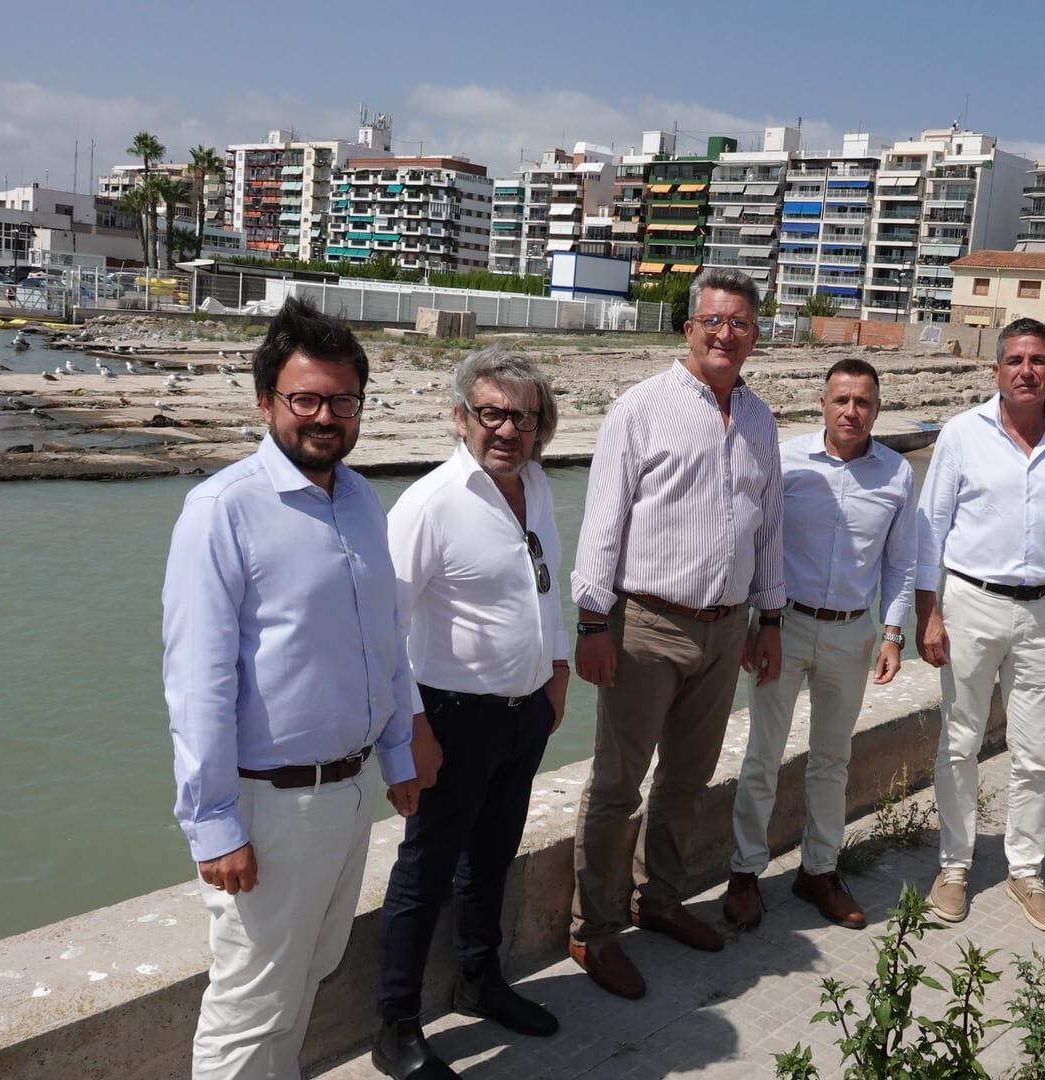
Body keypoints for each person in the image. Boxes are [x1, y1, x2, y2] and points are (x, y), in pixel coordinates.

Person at [163, 299, 435, 1079]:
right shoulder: (221, 512)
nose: (324, 416)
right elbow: (196, 680)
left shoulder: (357, 500)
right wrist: (214, 821)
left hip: (349, 792)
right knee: (249, 1008)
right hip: (271, 805)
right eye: (305, 399)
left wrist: (398, 749)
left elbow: (380, 638)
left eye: (342, 401)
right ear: (266, 402)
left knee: (307, 975)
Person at [567, 266, 786, 1000]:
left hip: (726, 629)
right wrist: (593, 622)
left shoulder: (760, 420)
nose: (727, 334)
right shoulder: (640, 409)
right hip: (645, 627)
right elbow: (603, 524)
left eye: (741, 324)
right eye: (714, 321)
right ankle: (592, 931)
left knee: (687, 781)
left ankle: (657, 900)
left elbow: (769, 528)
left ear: (756, 336)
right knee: (616, 785)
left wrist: (771, 615)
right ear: (688, 328)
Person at [372, 349, 568, 1079]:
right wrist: (410, 729)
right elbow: (382, 628)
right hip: (450, 719)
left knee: (492, 858)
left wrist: (558, 668)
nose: (507, 429)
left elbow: (546, 587)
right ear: (460, 418)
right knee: (424, 873)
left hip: (523, 716)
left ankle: (480, 980)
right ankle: (395, 1027)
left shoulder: (536, 486)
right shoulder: (429, 504)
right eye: (491, 412)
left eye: (522, 416)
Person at [913, 316, 1045, 936]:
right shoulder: (961, 434)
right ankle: (954, 867)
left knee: (1037, 749)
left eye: (1039, 360)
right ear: (996, 370)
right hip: (971, 602)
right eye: (1015, 360)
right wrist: (929, 613)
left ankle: (1026, 871)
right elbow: (929, 531)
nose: (1027, 370)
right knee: (960, 741)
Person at [724, 357, 917, 933]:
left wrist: (892, 632)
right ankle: (744, 873)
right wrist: (752, 621)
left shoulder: (897, 474)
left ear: (877, 409)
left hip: (853, 631)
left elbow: (902, 561)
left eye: (863, 402)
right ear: (823, 403)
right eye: (841, 400)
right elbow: (754, 540)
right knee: (763, 754)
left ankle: (819, 870)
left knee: (832, 759)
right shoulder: (785, 460)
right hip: (783, 626)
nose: (851, 411)